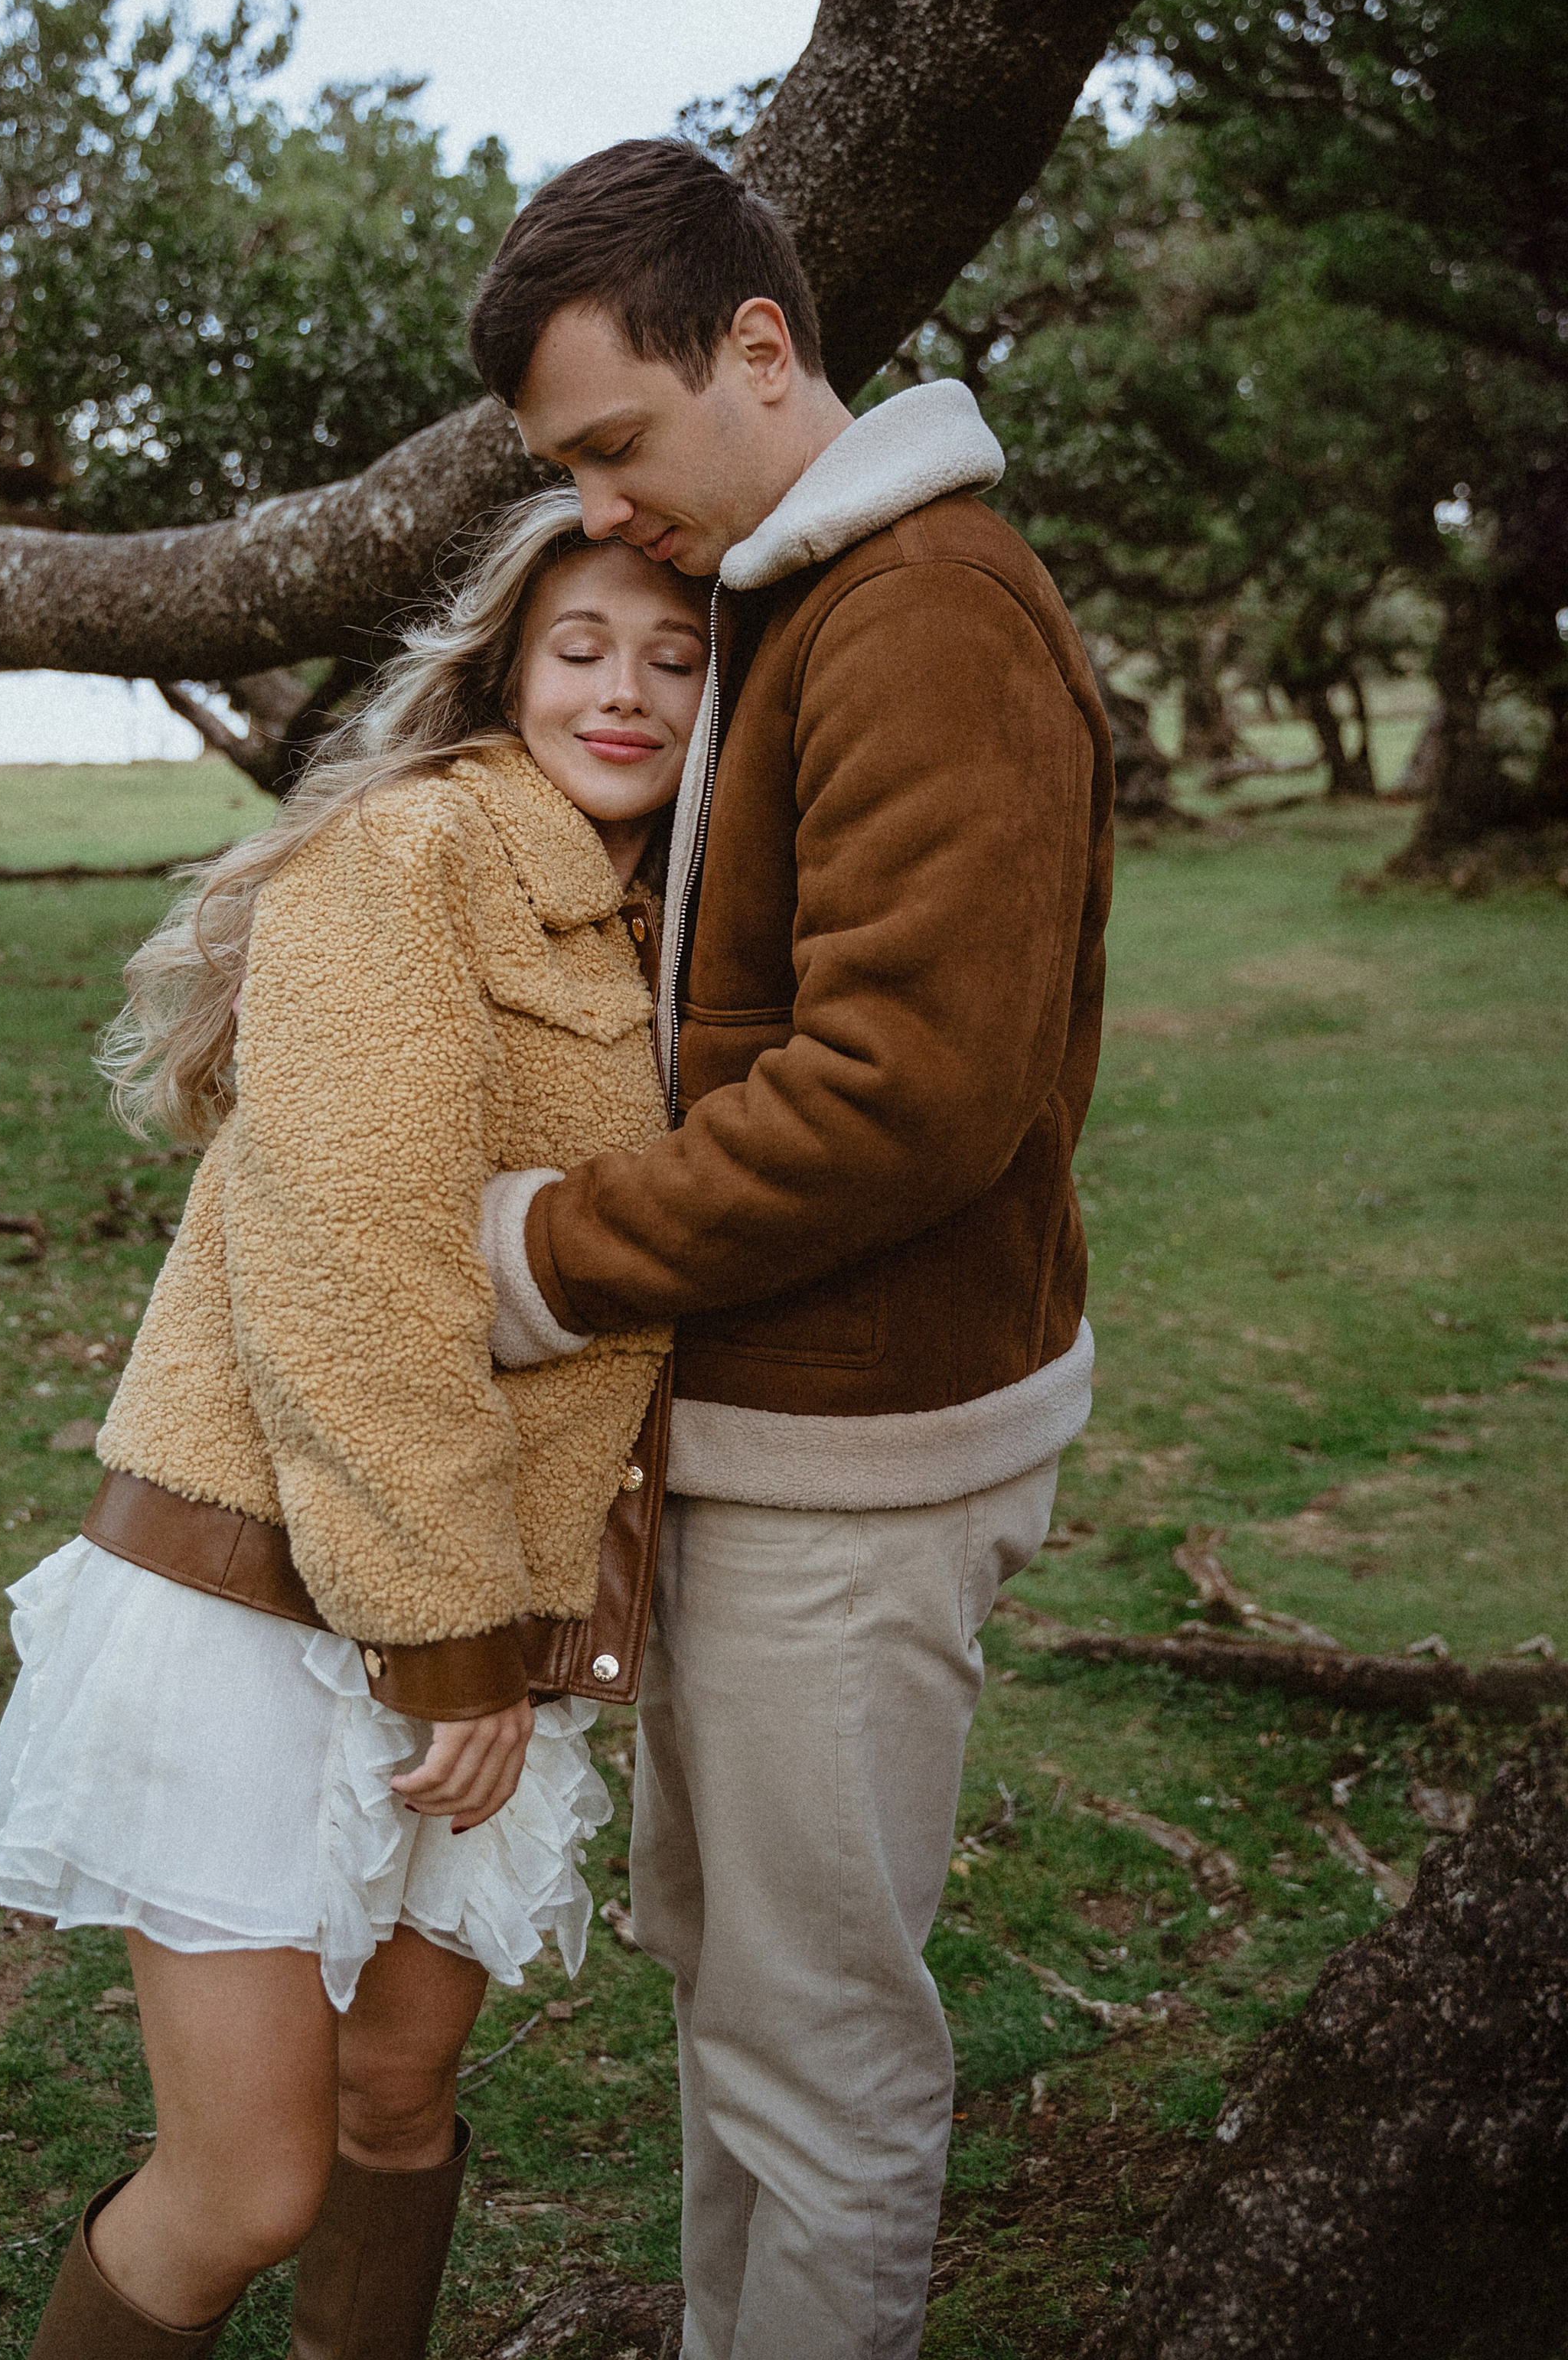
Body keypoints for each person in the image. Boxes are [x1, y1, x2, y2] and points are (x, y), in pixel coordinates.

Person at [465, 139, 1116, 2357]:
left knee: (822, 2043)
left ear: (759, 347)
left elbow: (904, 1091)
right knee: (735, 2002)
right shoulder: (791, 589)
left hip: (865, 1461)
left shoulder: (926, 607)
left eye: (616, 450)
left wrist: (546, 1255)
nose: (609, 511)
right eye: (573, 472)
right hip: (760, 1440)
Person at [0, 490, 707, 2360]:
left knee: (395, 2101)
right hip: (272, 1601)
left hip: (481, 1619)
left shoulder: (668, 918)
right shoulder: (408, 859)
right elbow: (350, 1277)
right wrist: (448, 1649)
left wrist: (504, 1646)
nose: (625, 694)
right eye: (582, 648)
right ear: (502, 667)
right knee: (247, 2185)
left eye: (676, 662)